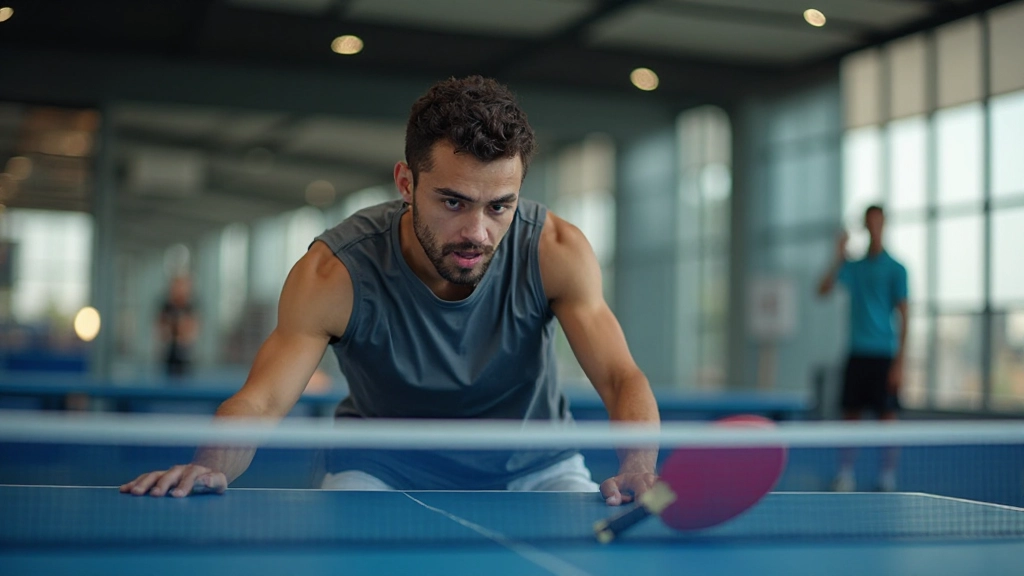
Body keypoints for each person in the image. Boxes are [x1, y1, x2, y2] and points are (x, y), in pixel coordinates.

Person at [121, 76, 660, 505]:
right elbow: (262, 399)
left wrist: (639, 469)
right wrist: (210, 464)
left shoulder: (554, 250)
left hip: (537, 469)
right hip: (380, 471)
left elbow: (619, 376)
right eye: (453, 202)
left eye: (500, 205)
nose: (478, 231)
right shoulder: (335, 273)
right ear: (406, 183)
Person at [817, 205, 908, 492]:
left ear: (884, 225)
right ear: (865, 227)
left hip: (884, 354)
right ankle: (845, 474)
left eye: (878, 223)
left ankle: (887, 476)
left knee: (887, 420)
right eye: (869, 224)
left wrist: (900, 363)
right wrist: (838, 254)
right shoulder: (853, 267)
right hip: (857, 351)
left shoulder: (897, 269)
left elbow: (906, 315)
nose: (874, 228)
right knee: (850, 417)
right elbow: (822, 290)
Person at [157, 275, 200, 377]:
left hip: (186, 358)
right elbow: (161, 331)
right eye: (177, 285)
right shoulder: (166, 307)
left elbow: (192, 332)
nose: (180, 289)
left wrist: (181, 332)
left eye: (183, 286)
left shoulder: (190, 308)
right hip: (168, 358)